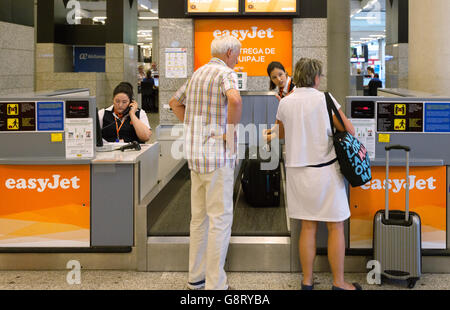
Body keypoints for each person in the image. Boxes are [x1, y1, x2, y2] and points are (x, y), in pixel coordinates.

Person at [263, 58, 361, 291]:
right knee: (335, 226)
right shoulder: (325, 98)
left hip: (298, 172)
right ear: (316, 77)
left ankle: (307, 281)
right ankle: (339, 282)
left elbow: (281, 132)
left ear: (295, 76)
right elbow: (349, 129)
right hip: (326, 171)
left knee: (308, 227)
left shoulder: (286, 102)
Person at [169, 35, 242, 290]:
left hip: (194, 156)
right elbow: (234, 99)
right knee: (220, 220)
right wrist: (229, 134)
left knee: (198, 219)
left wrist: (192, 126)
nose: (238, 59)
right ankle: (216, 285)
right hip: (217, 157)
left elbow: (174, 102)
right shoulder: (225, 73)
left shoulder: (197, 74)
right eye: (238, 55)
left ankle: (196, 278)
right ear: (230, 52)